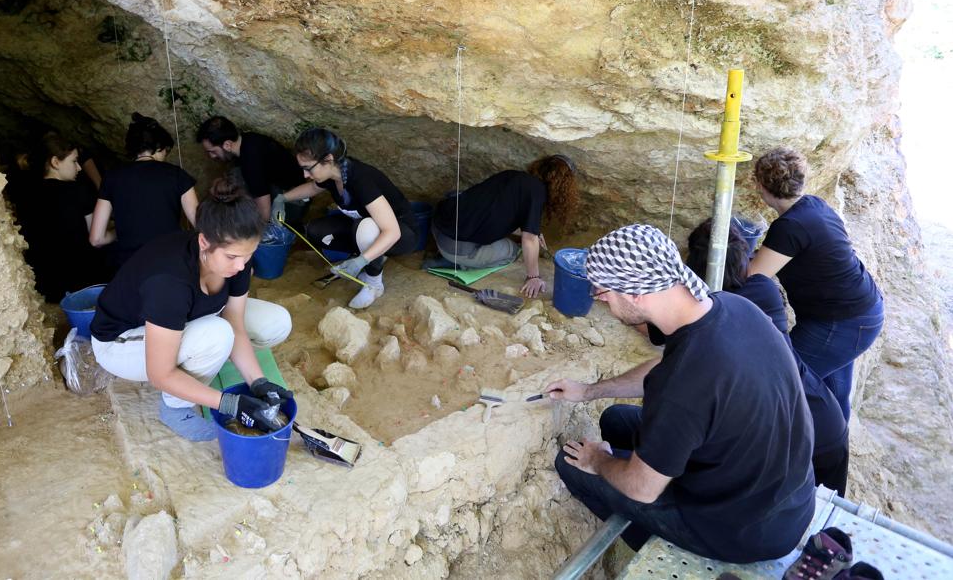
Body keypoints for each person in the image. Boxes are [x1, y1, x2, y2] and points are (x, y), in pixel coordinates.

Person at [545, 224, 815, 563]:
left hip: (744, 529)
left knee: (570, 464)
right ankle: (651, 468)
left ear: (634, 295)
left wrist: (597, 460)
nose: (603, 304)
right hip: (783, 493)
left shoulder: (682, 385)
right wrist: (588, 391)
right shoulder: (732, 308)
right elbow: (665, 370)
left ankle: (662, 544)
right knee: (616, 418)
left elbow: (642, 489)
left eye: (602, 296)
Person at [88, 176, 294, 441]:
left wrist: (258, 382)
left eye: (248, 255)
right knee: (217, 335)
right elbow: (159, 373)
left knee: (275, 322)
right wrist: (231, 404)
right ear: (204, 242)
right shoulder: (169, 280)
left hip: (184, 317)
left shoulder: (235, 260)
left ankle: (201, 363)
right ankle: (176, 409)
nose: (241, 267)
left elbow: (236, 322)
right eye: (232, 257)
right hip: (119, 342)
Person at [679, 219, 849, 495]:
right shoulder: (763, 288)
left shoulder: (703, 310)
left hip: (791, 441)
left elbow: (656, 329)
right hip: (825, 422)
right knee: (823, 524)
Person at [748, 147, 884, 420]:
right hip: (862, 314)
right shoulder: (815, 206)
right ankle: (831, 456)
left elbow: (754, 278)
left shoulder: (789, 228)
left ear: (760, 186)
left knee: (777, 381)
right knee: (832, 395)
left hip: (840, 324)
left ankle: (773, 453)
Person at [279, 128, 419, 309]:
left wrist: (361, 260)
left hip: (402, 234)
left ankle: (373, 282)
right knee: (317, 231)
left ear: (328, 159)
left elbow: (392, 232)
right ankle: (366, 258)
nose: (305, 175)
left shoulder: (360, 179)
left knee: (366, 227)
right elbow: (313, 189)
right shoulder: (331, 174)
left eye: (308, 168)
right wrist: (282, 198)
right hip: (363, 227)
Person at [428, 156, 579, 298]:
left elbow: (497, 216)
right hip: (454, 247)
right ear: (562, 185)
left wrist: (531, 231)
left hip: (437, 224)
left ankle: (446, 255)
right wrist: (534, 277)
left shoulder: (513, 176)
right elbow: (528, 240)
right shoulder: (537, 193)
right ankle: (455, 263)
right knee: (511, 250)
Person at [91, 113, 198, 272]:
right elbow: (202, 225)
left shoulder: (112, 178)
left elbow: (96, 239)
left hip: (128, 268)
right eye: (165, 152)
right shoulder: (176, 174)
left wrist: (119, 232)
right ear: (159, 148)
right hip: (170, 264)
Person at [26, 132, 111, 302]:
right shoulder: (78, 191)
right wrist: (118, 232)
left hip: (47, 283)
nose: (79, 167)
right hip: (84, 279)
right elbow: (96, 237)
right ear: (55, 162)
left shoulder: (28, 193)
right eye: (74, 161)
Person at [196, 116, 305, 223]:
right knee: (234, 176)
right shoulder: (248, 139)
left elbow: (265, 213)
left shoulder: (251, 163)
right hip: (284, 188)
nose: (212, 156)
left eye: (213, 151)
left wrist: (255, 232)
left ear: (227, 144)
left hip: (293, 204)